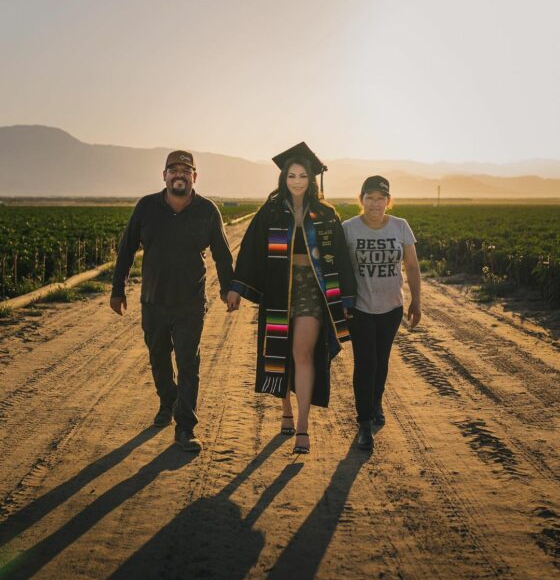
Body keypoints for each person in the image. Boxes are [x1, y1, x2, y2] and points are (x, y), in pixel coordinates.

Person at [227, 142, 356, 454]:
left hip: (312, 291)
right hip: (278, 292)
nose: (297, 181)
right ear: (284, 178)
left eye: (302, 176)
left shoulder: (325, 215)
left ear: (311, 179)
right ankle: (285, 408)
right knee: (280, 353)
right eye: (291, 176)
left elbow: (340, 257)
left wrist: (347, 300)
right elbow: (250, 251)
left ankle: (302, 426)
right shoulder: (271, 212)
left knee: (303, 354)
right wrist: (237, 287)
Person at [110, 150, 234, 452]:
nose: (179, 174)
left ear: (195, 176)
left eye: (186, 170)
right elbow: (126, 248)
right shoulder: (147, 207)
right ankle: (168, 401)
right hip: (153, 300)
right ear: (164, 175)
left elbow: (222, 252)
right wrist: (118, 289)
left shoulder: (207, 210)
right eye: (173, 169)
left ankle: (185, 428)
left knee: (189, 362)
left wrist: (229, 288)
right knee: (159, 357)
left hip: (190, 303)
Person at [343, 175, 422, 450]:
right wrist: (340, 301)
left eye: (381, 198)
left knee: (382, 359)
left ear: (388, 201)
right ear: (361, 199)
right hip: (360, 307)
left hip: (391, 307)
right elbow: (340, 269)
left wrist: (416, 300)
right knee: (365, 362)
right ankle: (364, 423)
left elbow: (411, 266)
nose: (375, 203)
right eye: (370, 197)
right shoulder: (349, 229)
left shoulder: (400, 227)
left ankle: (376, 400)